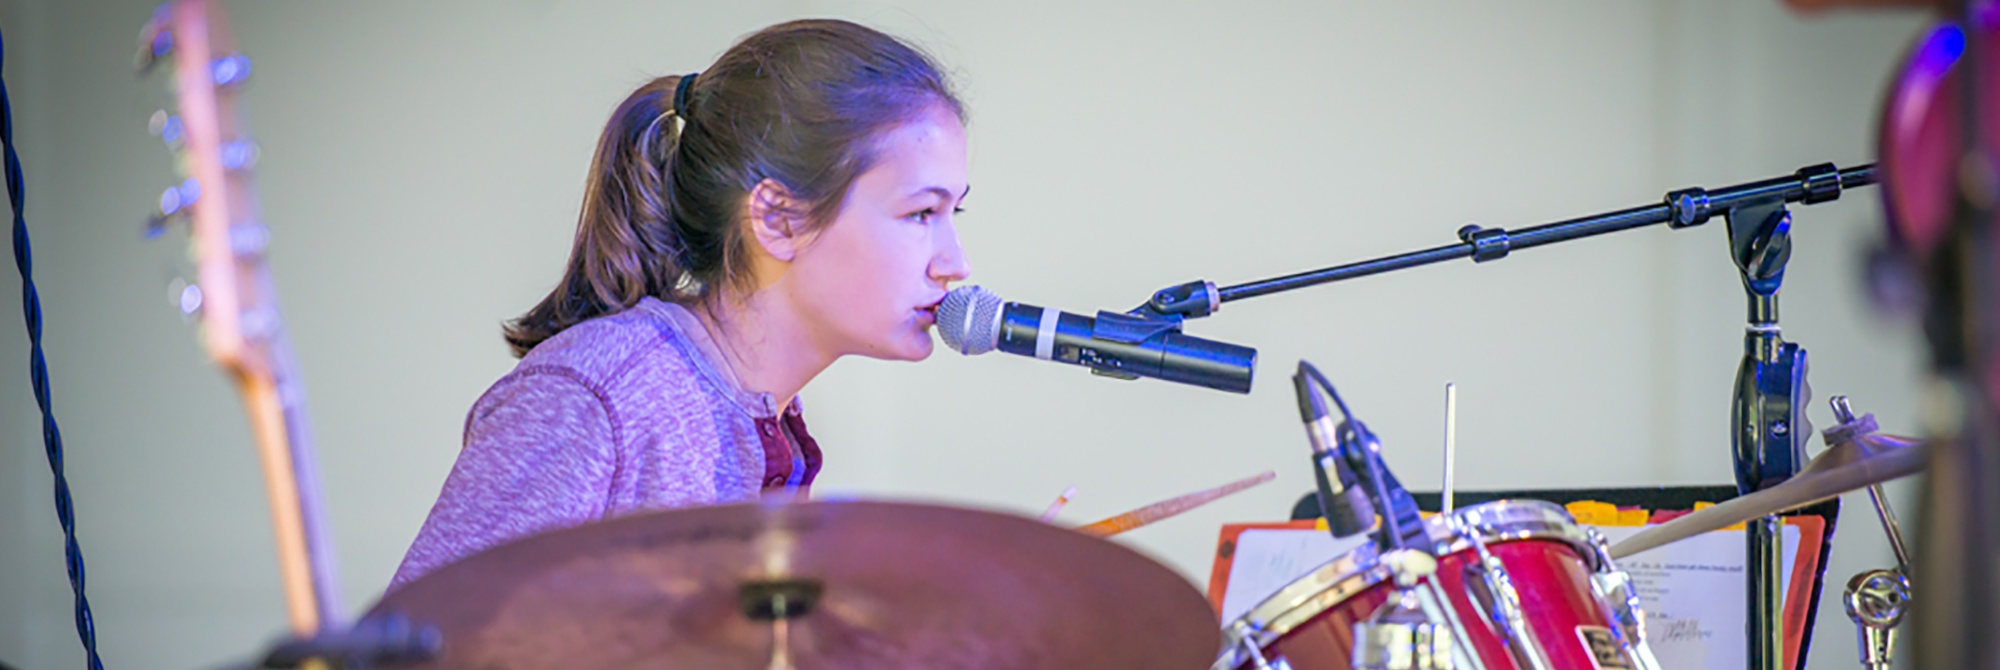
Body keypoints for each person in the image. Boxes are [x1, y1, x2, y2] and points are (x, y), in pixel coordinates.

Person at [389, 18, 971, 589]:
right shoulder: (594, 396)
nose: (954, 262)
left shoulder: (762, 420)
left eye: (954, 213)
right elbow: (423, 648)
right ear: (777, 219)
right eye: (921, 213)